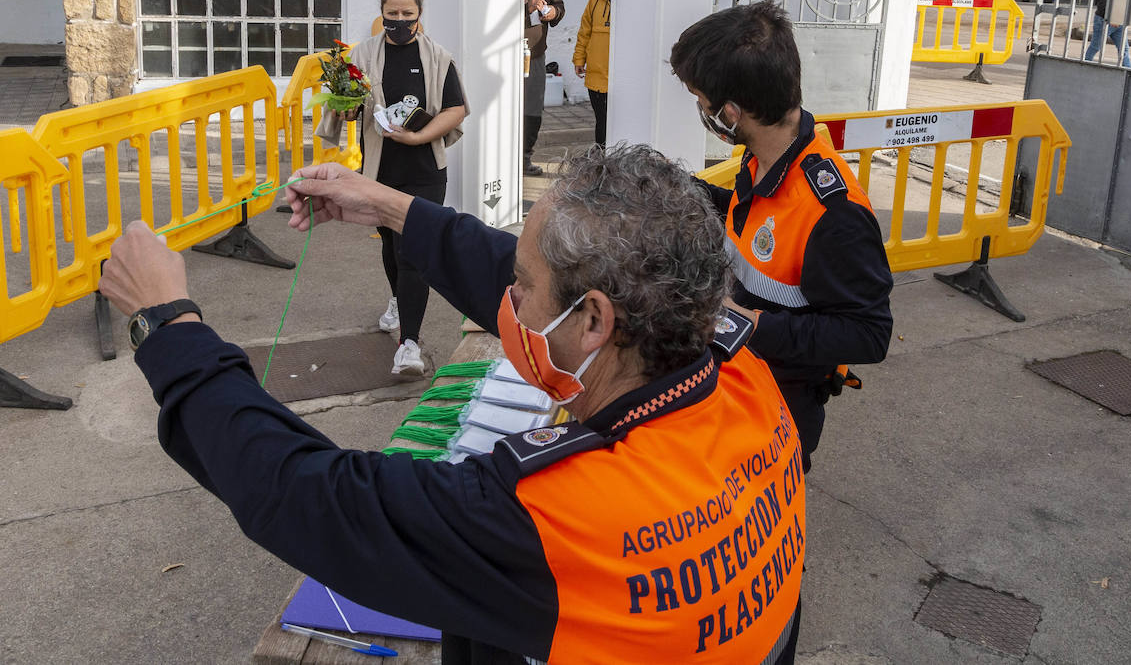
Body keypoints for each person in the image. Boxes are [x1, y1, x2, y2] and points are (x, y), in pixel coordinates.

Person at [99, 145, 804, 664]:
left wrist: (166, 327)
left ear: (594, 322)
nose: (511, 301)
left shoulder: (559, 517)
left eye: (522, 287)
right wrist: (386, 207)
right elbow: (522, 270)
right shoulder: (738, 369)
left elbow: (301, 494)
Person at [670, 0, 893, 472]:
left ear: (730, 113)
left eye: (701, 101)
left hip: (780, 408)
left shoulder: (834, 214)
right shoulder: (770, 155)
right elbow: (751, 221)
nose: (700, 111)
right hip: (737, 379)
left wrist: (745, 324)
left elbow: (869, 335)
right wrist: (683, 189)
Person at [352, 0, 468, 375]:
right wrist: (345, 104)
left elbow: (457, 108)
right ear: (381, 11)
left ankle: (410, 345)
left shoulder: (437, 58)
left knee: (412, 252)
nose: (399, 22)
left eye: (407, 14)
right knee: (391, 244)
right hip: (379, 169)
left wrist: (419, 139)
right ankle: (399, 299)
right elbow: (348, 106)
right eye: (392, 13)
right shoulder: (362, 55)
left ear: (420, 13)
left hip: (424, 171)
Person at [522, 0, 565, 176]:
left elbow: (560, 7)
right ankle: (503, 155)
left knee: (533, 108)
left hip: (536, 56)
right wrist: (524, 9)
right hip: (507, 58)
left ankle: (525, 157)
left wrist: (553, 13)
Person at [572, 0, 613, 148]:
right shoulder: (595, 0)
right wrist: (579, 60)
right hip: (596, 78)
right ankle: (602, 164)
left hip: (620, 80)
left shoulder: (634, 3)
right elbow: (584, 33)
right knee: (602, 125)